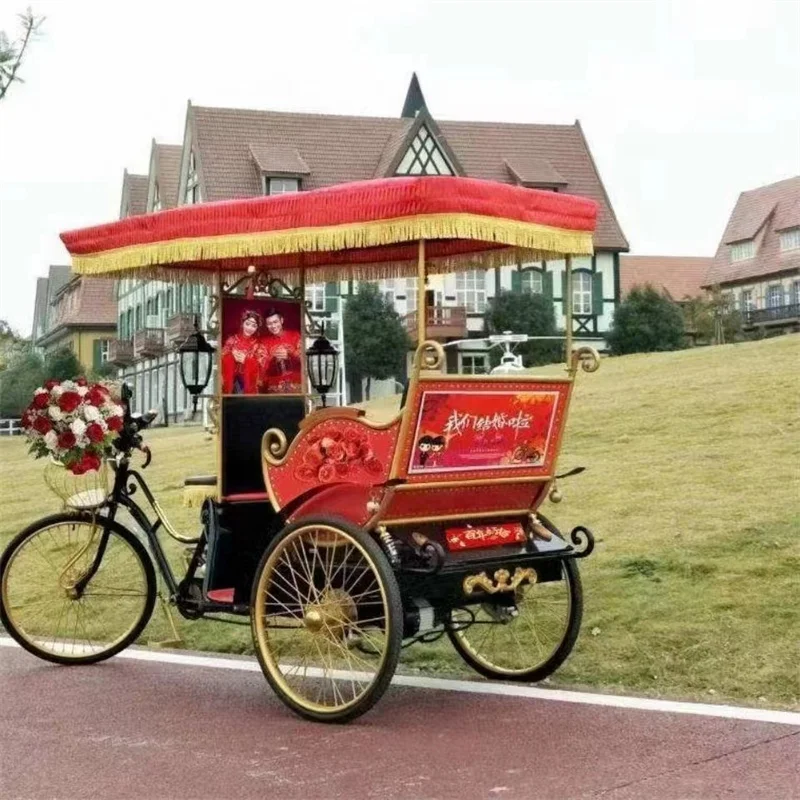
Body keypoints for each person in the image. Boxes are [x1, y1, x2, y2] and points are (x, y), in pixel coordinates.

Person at [221, 310, 265, 394]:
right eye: (247, 324)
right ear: (242, 323)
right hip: (232, 383)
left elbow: (262, 367)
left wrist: (246, 360)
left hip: (248, 384)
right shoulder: (231, 341)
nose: (249, 328)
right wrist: (231, 356)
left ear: (257, 328)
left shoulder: (258, 345)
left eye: (254, 326)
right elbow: (221, 360)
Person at [260, 307, 302, 393]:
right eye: (269, 324)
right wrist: (273, 358)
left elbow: (304, 359)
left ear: (281, 321)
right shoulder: (264, 342)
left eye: (275, 322)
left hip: (297, 386)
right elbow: (261, 367)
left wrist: (290, 354)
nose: (273, 326)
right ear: (266, 325)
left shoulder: (295, 336)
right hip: (275, 388)